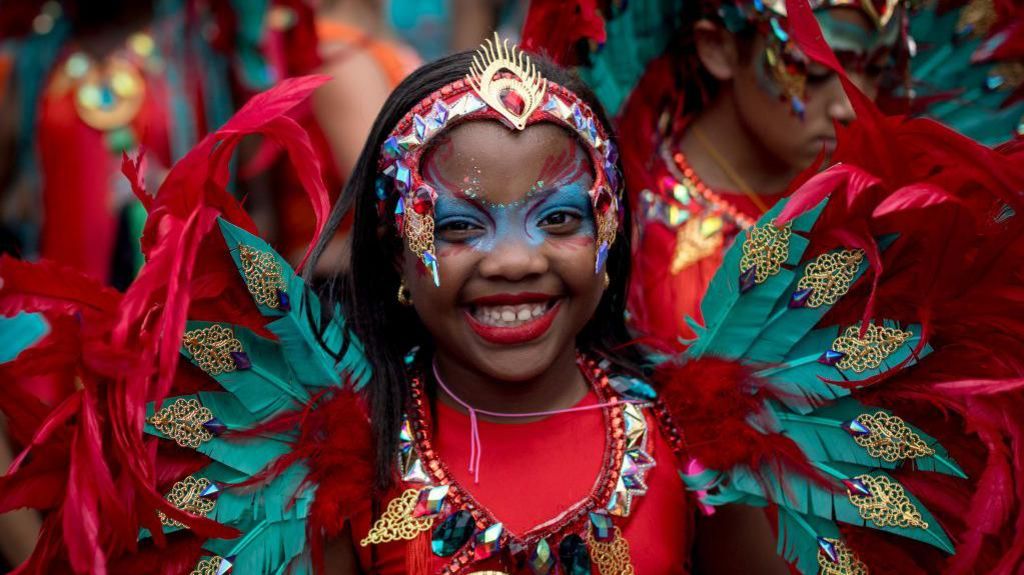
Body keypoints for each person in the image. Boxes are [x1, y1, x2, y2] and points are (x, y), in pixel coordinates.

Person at [1, 30, 1022, 575]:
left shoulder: (694, 442)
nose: (514, 260)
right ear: (396, 260)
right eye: (456, 227)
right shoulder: (345, 458)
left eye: (560, 219)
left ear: (611, 235)